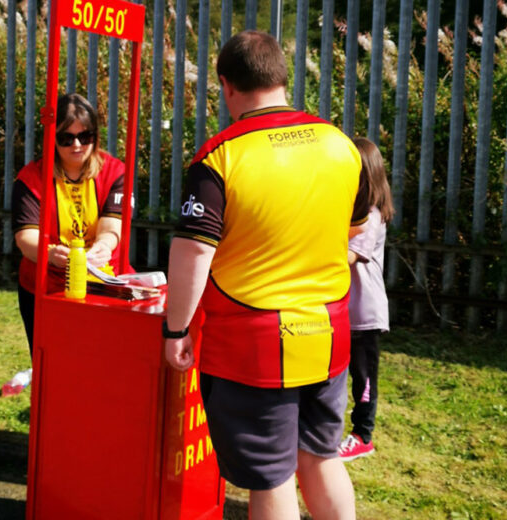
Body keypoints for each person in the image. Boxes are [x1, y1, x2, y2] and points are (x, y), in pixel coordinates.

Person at [163, 31, 369, 520]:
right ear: (281, 77)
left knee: (270, 478)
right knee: (320, 457)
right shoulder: (339, 144)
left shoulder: (220, 156)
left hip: (251, 345)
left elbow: (193, 251)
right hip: (329, 331)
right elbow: (355, 226)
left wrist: (175, 328)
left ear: (225, 85)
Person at [12, 93, 129, 354]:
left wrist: (103, 246)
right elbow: (25, 237)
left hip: (105, 283)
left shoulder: (115, 171)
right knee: (53, 363)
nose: (76, 145)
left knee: (104, 361)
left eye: (84, 137)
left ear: (96, 136)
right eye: (66, 139)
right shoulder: (31, 178)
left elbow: (113, 225)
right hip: (46, 287)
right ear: (52, 140)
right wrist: (51, 254)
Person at [338, 137, 395, 462]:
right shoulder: (352, 211)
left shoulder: (371, 216)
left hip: (364, 313)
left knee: (364, 377)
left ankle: (363, 435)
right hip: (344, 311)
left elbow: (348, 256)